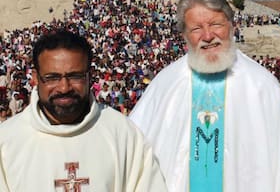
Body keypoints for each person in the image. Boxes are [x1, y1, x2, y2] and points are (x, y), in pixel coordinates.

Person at [129, 0, 280, 192]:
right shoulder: (166, 82)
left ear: (232, 26)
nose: (208, 36)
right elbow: (133, 146)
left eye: (216, 24)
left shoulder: (261, 85)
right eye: (196, 28)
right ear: (184, 35)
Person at [0, 30, 167, 191]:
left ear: (90, 76)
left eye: (75, 76)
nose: (64, 87)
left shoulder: (123, 134)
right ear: (35, 78)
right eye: (52, 77)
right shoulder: (7, 141)